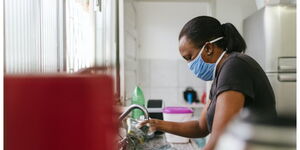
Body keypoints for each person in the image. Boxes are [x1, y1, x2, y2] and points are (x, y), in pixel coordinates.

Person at [141, 16, 277, 150]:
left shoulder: (234, 67)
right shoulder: (220, 74)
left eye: (189, 57)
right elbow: (201, 127)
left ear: (208, 48)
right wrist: (157, 124)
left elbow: (220, 140)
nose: (190, 65)